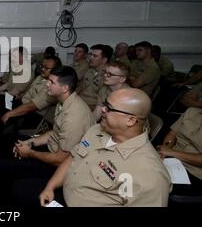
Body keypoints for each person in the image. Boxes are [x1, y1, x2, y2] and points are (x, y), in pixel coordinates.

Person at [39, 88, 172, 207]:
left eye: (109, 108)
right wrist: (50, 187)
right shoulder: (97, 130)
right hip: (62, 194)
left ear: (131, 120)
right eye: (104, 104)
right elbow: (72, 159)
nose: (103, 109)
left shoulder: (150, 174)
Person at [0, 66, 94, 205]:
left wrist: (30, 153)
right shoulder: (64, 102)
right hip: (53, 149)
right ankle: (0, 183)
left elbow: (59, 160)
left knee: (2, 167)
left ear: (65, 88)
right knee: (9, 144)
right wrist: (31, 142)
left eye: (52, 82)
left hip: (60, 166)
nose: (47, 84)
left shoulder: (75, 115)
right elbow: (55, 132)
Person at [157, 107, 202, 196]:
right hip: (171, 159)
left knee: (156, 184)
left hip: (193, 172)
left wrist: (170, 152)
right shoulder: (192, 111)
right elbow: (172, 134)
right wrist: (165, 149)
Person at [78, 44, 113, 110]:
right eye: (91, 55)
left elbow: (105, 103)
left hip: (94, 107)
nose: (90, 58)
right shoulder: (89, 71)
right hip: (82, 103)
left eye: (95, 56)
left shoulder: (110, 75)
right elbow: (82, 89)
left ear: (104, 60)